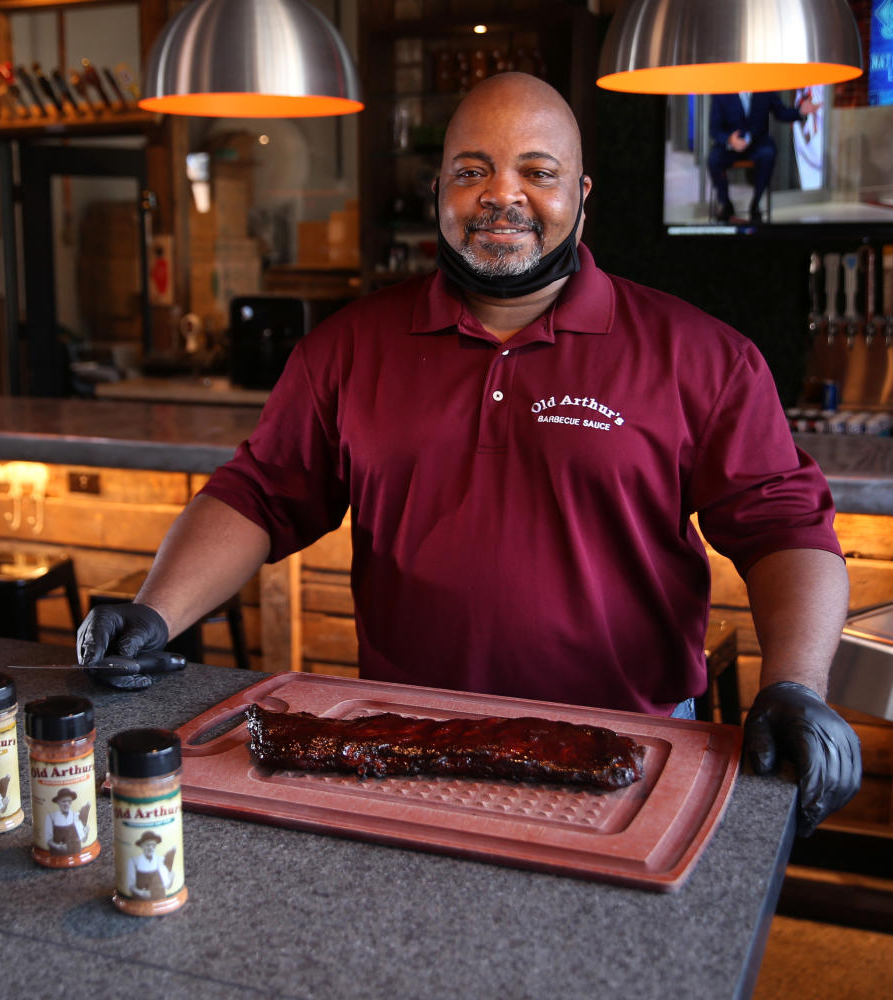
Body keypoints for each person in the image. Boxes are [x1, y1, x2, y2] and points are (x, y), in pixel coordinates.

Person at [77, 72, 860, 838]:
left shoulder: (698, 355)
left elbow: (785, 528)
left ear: (582, 197)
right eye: (472, 171)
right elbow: (260, 495)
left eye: (537, 172)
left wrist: (796, 684)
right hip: (406, 743)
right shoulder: (348, 348)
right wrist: (156, 610)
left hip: (628, 744)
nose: (502, 194)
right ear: (441, 194)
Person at [708, 90, 819, 223]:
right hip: (730, 146)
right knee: (714, 160)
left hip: (757, 144)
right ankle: (725, 203)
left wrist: (800, 111)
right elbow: (714, 130)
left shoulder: (764, 90)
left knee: (768, 154)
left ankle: (756, 203)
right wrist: (730, 140)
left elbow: (781, 112)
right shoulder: (722, 93)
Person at [125, 831, 172, 900]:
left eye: (153, 845)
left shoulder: (160, 860)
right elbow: (131, 885)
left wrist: (171, 877)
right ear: (142, 846)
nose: (150, 848)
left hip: (160, 898)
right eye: (147, 845)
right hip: (140, 899)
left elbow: (167, 884)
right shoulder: (134, 861)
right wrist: (140, 893)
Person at [43, 787, 88, 856]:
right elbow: (48, 840)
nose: (67, 804)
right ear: (58, 802)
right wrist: (57, 846)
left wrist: (86, 832)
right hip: (57, 854)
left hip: (75, 853)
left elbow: (83, 839)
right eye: (64, 801)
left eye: (69, 801)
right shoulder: (51, 817)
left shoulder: (75, 816)